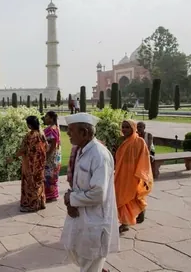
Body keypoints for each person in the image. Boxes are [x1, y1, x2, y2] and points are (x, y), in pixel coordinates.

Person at [60, 113, 119, 272]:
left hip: (95, 220)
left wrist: (71, 198)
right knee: (80, 256)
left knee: (90, 263)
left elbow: (98, 194)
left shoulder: (99, 155)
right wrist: (70, 200)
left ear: (84, 133)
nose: (68, 134)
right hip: (83, 217)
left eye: (71, 130)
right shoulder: (82, 150)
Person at [115, 120, 153, 233]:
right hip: (121, 175)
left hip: (134, 175)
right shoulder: (122, 141)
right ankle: (125, 222)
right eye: (123, 127)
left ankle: (139, 210)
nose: (124, 129)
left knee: (133, 197)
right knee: (121, 198)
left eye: (127, 127)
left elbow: (144, 158)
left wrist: (141, 174)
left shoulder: (140, 141)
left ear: (133, 128)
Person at [7, 116, 47, 212]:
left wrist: (12, 157)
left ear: (29, 125)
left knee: (30, 183)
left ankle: (31, 205)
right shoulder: (42, 134)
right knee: (39, 182)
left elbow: (23, 149)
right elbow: (46, 147)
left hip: (30, 164)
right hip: (40, 163)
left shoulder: (29, 135)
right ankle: (41, 202)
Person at [42, 111, 62, 202]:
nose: (44, 118)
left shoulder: (52, 129)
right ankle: (52, 195)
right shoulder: (54, 128)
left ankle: (50, 196)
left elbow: (54, 143)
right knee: (51, 175)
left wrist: (48, 154)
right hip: (55, 156)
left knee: (49, 175)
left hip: (51, 156)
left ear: (51, 118)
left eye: (46, 116)